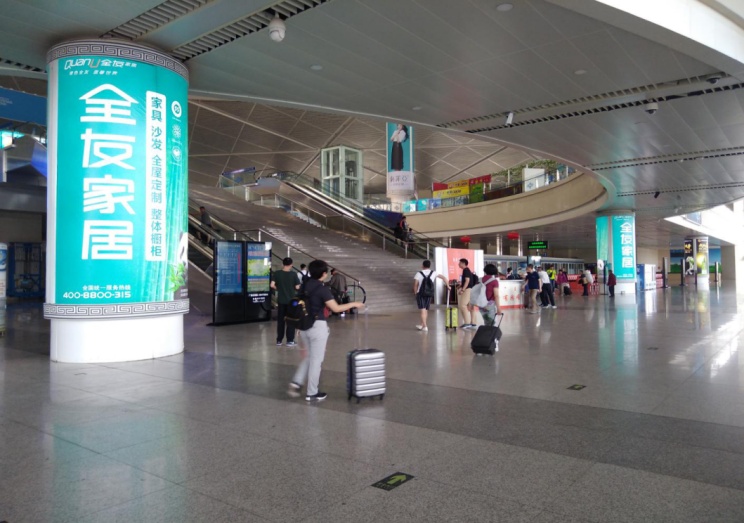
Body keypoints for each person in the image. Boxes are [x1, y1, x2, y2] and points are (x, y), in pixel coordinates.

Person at [288, 259, 364, 401]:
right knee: (316, 361)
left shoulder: (305, 285)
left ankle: (296, 382)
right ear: (324, 274)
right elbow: (336, 308)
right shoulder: (322, 289)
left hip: (303, 325)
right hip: (317, 327)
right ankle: (312, 393)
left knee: (310, 357)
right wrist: (354, 304)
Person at [270, 257, 301, 347]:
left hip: (281, 300)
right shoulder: (293, 274)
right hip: (291, 302)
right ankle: (290, 340)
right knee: (290, 320)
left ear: (282, 264)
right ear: (291, 265)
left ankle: (279, 340)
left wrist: (278, 288)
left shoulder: (277, 273)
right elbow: (297, 287)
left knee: (281, 321)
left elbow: (272, 285)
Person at [413, 260, 448, 331]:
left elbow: (415, 285)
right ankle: (421, 325)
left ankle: (425, 326)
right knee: (425, 310)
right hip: (429, 293)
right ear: (429, 266)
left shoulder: (418, 273)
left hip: (421, 293)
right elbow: (444, 278)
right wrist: (448, 285)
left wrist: (416, 293)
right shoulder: (433, 273)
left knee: (422, 309)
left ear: (422, 266)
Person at [457, 258, 476, 328]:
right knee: (470, 306)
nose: (458, 264)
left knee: (462, 305)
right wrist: (461, 285)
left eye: (459, 263)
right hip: (471, 289)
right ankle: (473, 322)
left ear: (463, 263)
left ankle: (467, 323)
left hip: (467, 290)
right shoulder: (468, 270)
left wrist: (463, 289)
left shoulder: (465, 270)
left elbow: (467, 281)